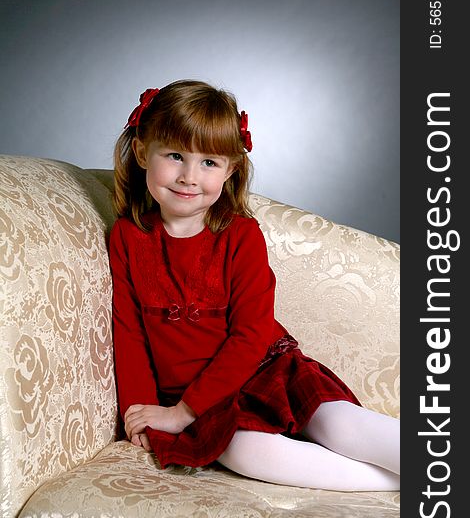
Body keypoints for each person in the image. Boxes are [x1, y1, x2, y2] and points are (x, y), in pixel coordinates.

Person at [109, 80, 400, 491]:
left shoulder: (240, 235)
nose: (189, 177)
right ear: (142, 153)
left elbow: (251, 334)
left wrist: (182, 414)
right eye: (175, 156)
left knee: (341, 427)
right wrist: (137, 410)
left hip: (264, 368)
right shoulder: (127, 237)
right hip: (200, 398)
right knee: (246, 453)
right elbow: (129, 331)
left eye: (209, 162)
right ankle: (400, 483)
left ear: (230, 169)